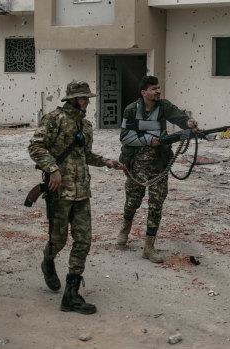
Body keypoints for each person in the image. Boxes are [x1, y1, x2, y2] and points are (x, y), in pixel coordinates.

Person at [28, 80, 123, 315]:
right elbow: (36, 147)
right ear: (72, 99)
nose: (87, 102)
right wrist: (53, 169)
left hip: (82, 192)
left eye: (87, 98)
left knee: (83, 241)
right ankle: (48, 260)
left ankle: (71, 294)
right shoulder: (54, 119)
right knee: (58, 241)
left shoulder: (86, 125)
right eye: (83, 98)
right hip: (59, 192)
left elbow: (85, 154)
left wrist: (106, 162)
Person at [116, 75, 198, 263]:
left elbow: (180, 117)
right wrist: (147, 140)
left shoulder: (164, 106)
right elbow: (125, 136)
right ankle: (125, 228)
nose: (158, 91)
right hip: (137, 165)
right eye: (154, 89)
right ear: (144, 92)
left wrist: (189, 123)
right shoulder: (131, 110)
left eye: (159, 88)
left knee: (156, 205)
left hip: (160, 164)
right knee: (132, 202)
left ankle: (149, 247)